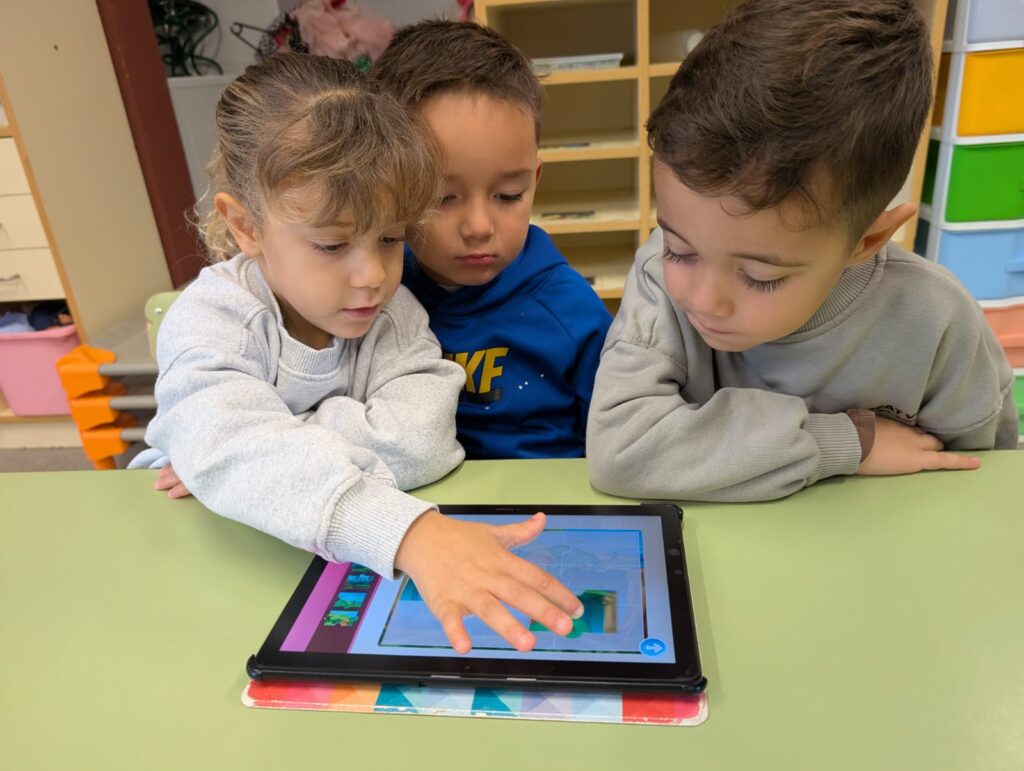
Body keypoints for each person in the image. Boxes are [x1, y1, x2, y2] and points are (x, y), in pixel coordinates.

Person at [131, 53, 583, 652]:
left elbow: (422, 443)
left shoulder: (395, 313)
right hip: (208, 553)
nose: (373, 276)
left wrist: (257, 452)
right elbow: (230, 447)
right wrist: (406, 533)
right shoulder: (212, 319)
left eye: (391, 238)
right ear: (246, 226)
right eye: (332, 245)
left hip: (326, 561)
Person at [587, 0, 1018, 501]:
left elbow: (983, 485)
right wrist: (847, 443)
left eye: (760, 277)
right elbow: (621, 450)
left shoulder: (938, 320)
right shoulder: (657, 280)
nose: (703, 300)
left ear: (868, 241)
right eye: (681, 250)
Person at [371, 20, 612, 459]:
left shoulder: (570, 312)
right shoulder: (372, 292)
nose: (479, 227)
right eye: (441, 198)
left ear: (534, 180)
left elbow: (618, 444)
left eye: (509, 195)